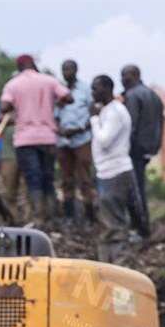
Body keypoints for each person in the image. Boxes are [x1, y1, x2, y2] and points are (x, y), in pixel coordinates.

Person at [0, 55, 72, 221]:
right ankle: (52, 216)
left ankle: (39, 217)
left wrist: (19, 104)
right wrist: (52, 102)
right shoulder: (49, 81)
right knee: (48, 177)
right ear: (34, 65)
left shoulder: (13, 84)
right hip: (47, 137)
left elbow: (4, 107)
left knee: (33, 178)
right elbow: (68, 97)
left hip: (25, 139)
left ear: (19, 67)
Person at [88, 74, 138, 262]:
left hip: (115, 172)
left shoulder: (115, 111)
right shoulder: (109, 110)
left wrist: (93, 119)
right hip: (106, 172)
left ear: (107, 88)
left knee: (114, 224)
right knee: (106, 223)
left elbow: (104, 140)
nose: (92, 92)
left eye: (95, 88)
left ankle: (117, 265)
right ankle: (106, 265)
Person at [120, 64, 162, 237]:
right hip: (148, 148)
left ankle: (141, 229)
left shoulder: (132, 95)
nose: (122, 79)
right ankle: (142, 228)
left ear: (135, 75)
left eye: (125, 75)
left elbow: (131, 125)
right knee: (139, 187)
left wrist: (124, 149)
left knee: (134, 190)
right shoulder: (154, 95)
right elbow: (161, 125)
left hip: (134, 149)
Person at [56, 59, 97, 226]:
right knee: (67, 179)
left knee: (84, 178)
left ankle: (90, 217)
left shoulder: (85, 89)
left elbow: (93, 112)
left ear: (76, 70)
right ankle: (69, 217)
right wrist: (59, 129)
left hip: (82, 139)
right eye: (64, 69)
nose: (67, 72)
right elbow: (54, 114)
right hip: (63, 141)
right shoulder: (59, 90)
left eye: (69, 69)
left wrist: (79, 129)